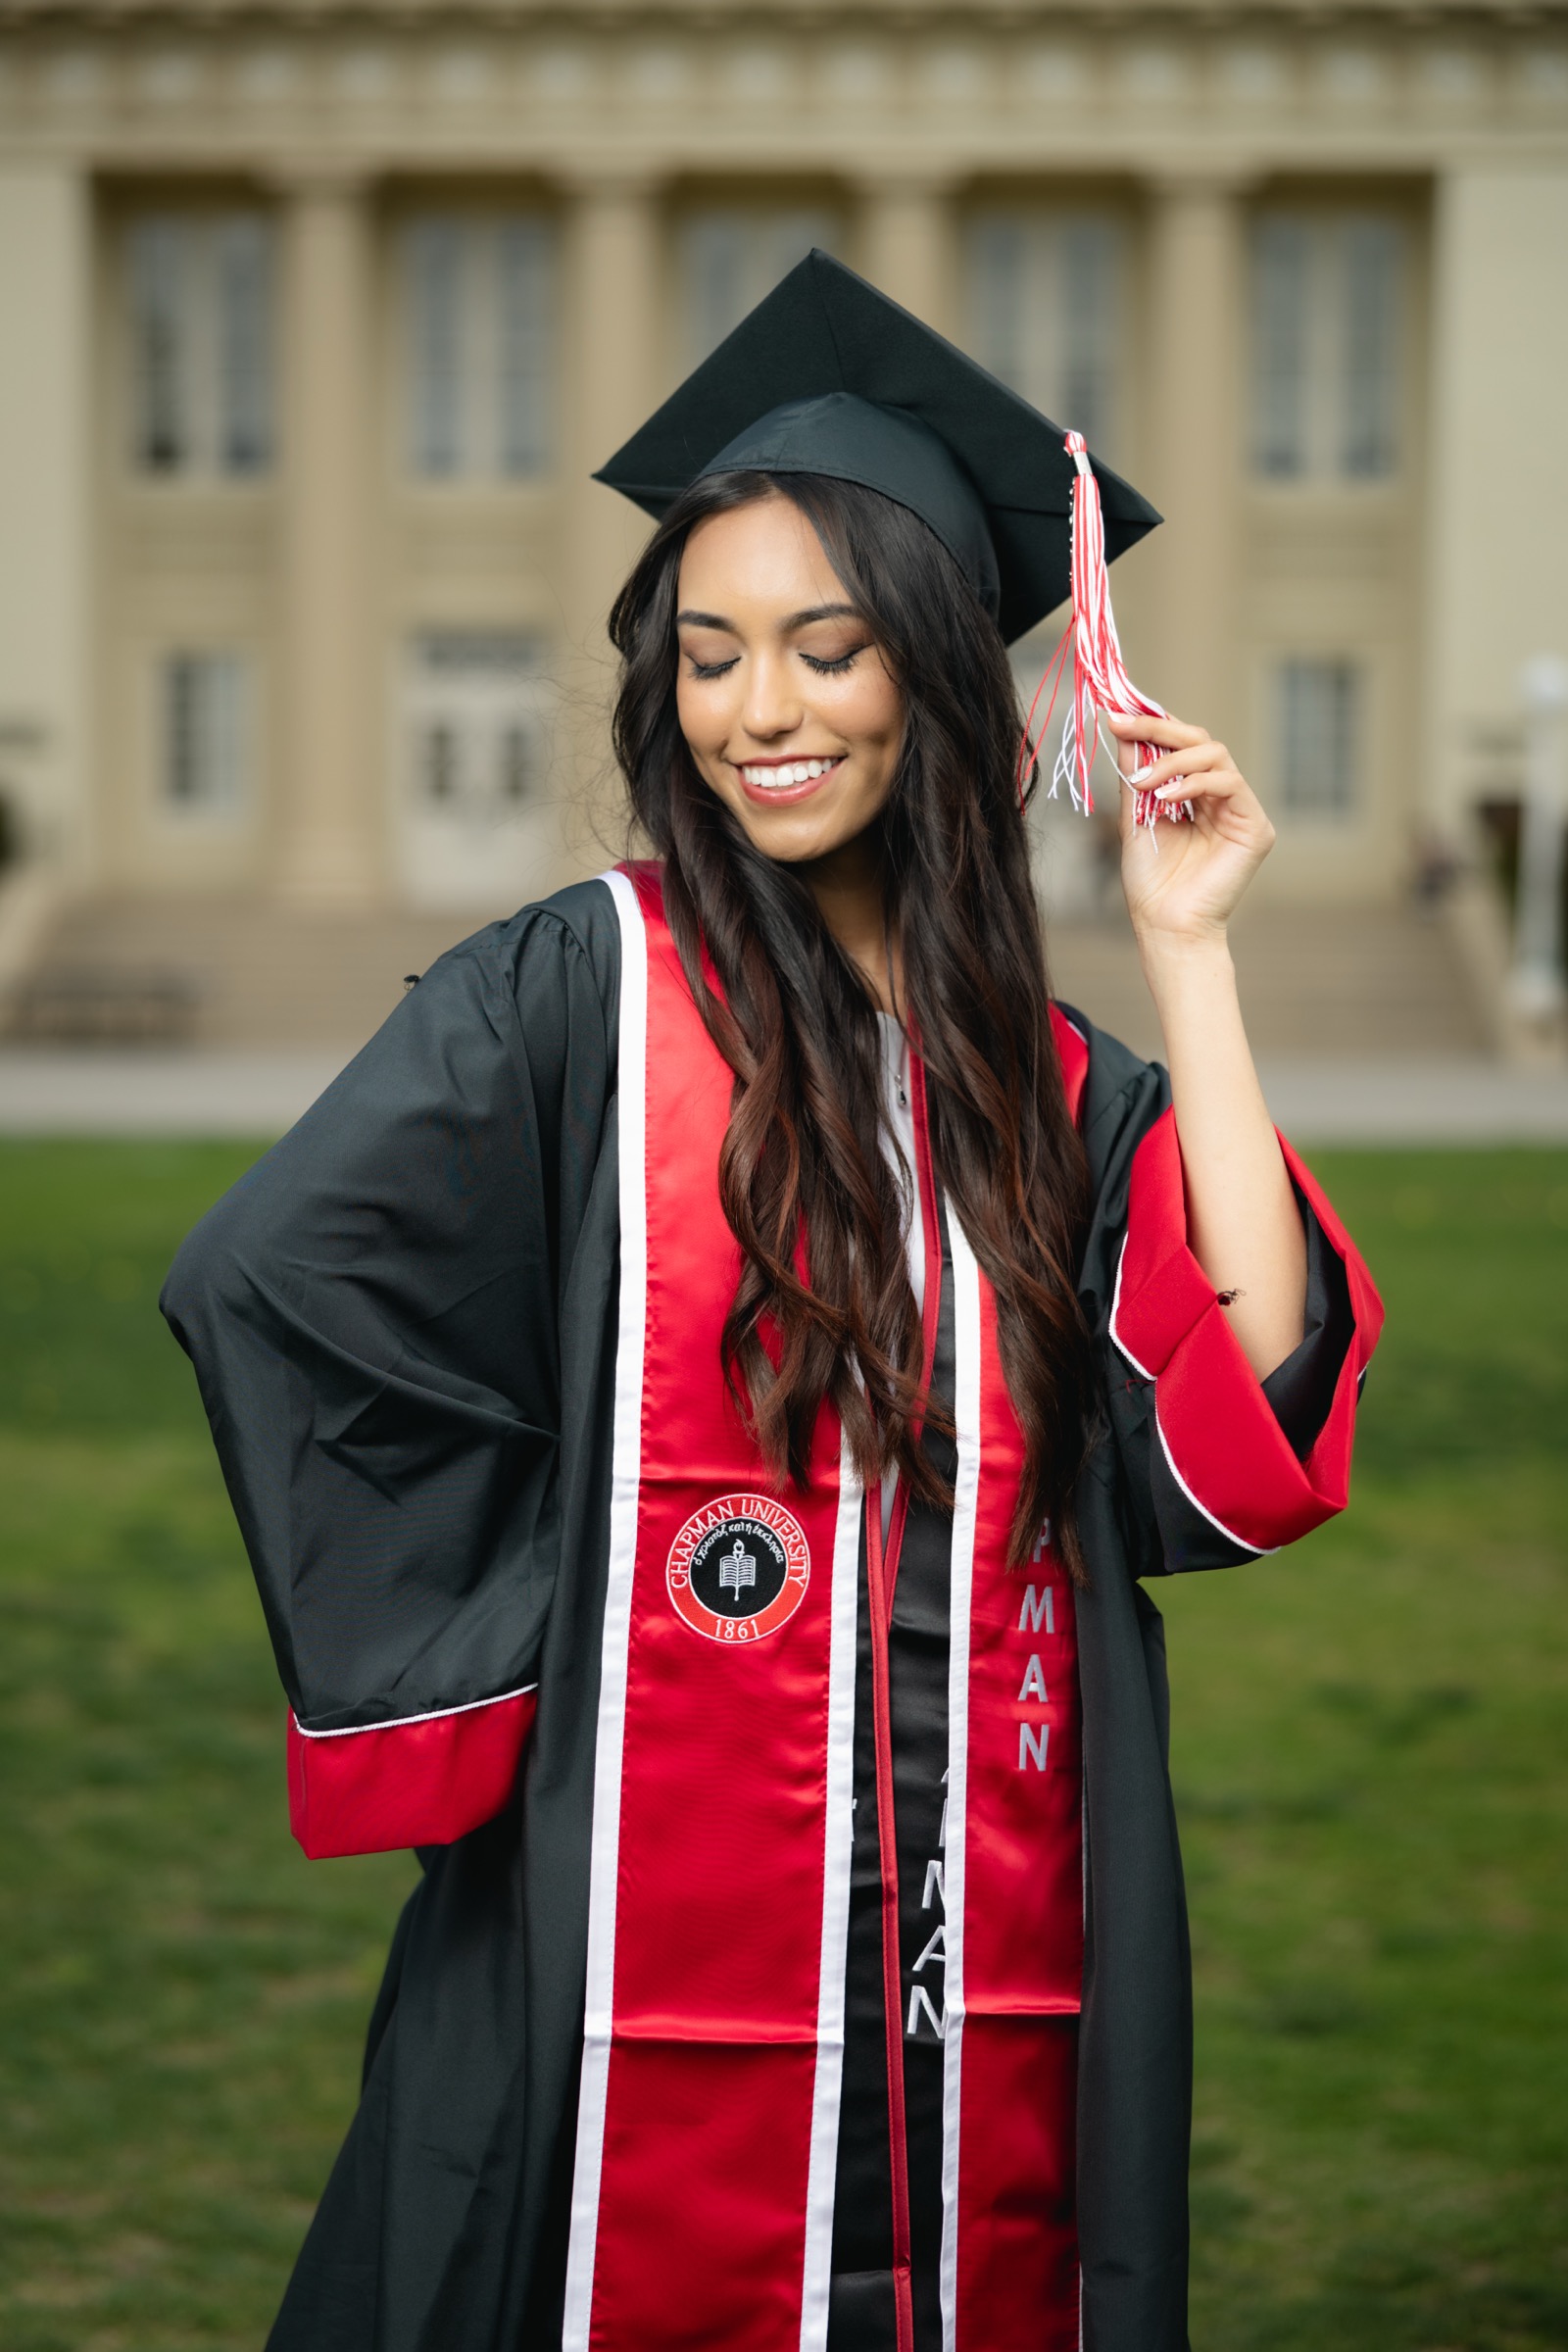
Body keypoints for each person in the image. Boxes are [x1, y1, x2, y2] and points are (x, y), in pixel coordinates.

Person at [162, 254, 1382, 2352]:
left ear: (928, 676)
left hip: (977, 1879)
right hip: (649, 1874)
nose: (760, 712)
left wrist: (1190, 950)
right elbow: (276, 1279)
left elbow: (1243, 1420)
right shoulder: (587, 994)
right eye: (710, 657)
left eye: (822, 651)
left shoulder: (1051, 1085)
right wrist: (551, 1617)